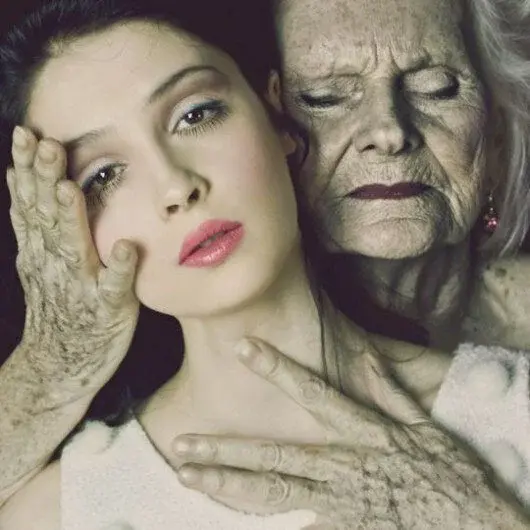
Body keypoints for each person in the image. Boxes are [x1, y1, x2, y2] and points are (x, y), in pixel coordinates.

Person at [0, 1, 528, 529]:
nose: (176, 186)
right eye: (104, 175)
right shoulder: (62, 511)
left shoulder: (513, 409)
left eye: (195, 115)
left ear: (276, 117)